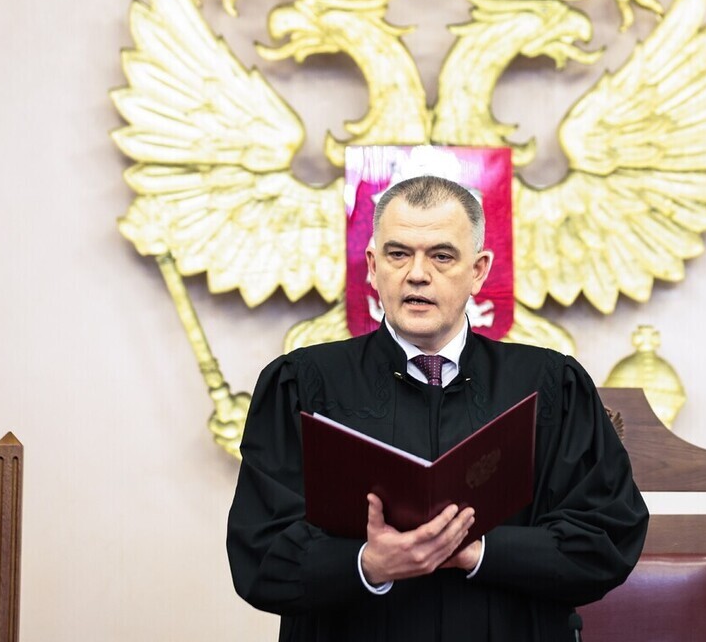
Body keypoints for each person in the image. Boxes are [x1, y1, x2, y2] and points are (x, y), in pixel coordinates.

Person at [227, 175, 648, 641]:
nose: (417, 274)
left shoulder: (551, 386)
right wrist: (367, 563)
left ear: (479, 270)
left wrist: (476, 550)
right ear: (373, 267)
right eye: (398, 254)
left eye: (442, 256)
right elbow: (260, 554)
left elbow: (606, 537)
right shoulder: (303, 384)